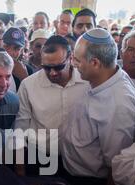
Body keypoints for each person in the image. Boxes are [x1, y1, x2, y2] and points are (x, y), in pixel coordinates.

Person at [62, 28, 135, 185]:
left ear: (95, 63)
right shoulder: (103, 78)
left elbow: (116, 165)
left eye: (77, 59)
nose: (73, 64)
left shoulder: (118, 104)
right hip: (73, 175)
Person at [15, 35, 88, 176]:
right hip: (40, 159)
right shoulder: (28, 85)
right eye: (46, 67)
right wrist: (20, 170)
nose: (53, 73)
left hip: (81, 161)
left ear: (71, 58)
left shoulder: (88, 81)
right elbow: (20, 128)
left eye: (58, 67)